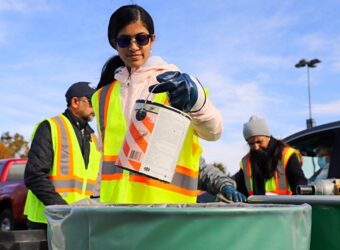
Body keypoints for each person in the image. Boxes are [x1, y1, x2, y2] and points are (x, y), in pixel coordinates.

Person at [92, 4, 244, 204]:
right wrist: (95, 199)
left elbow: (213, 131)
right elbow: (105, 158)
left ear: (152, 39)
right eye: (124, 40)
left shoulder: (178, 83)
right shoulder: (102, 97)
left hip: (169, 211)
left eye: (141, 38)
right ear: (114, 43)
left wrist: (197, 102)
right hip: (118, 213)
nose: (134, 46)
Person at [24, 82, 101, 229]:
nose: (95, 108)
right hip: (46, 221)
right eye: (92, 102)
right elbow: (34, 175)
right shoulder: (51, 127)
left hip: (79, 221)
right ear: (75, 102)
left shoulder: (94, 139)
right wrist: (63, 210)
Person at [232, 115, 307, 197]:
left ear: (268, 137)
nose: (256, 147)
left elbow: (299, 183)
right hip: (256, 208)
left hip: (285, 208)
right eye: (251, 143)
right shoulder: (246, 162)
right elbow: (241, 189)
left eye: (259, 142)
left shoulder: (287, 155)